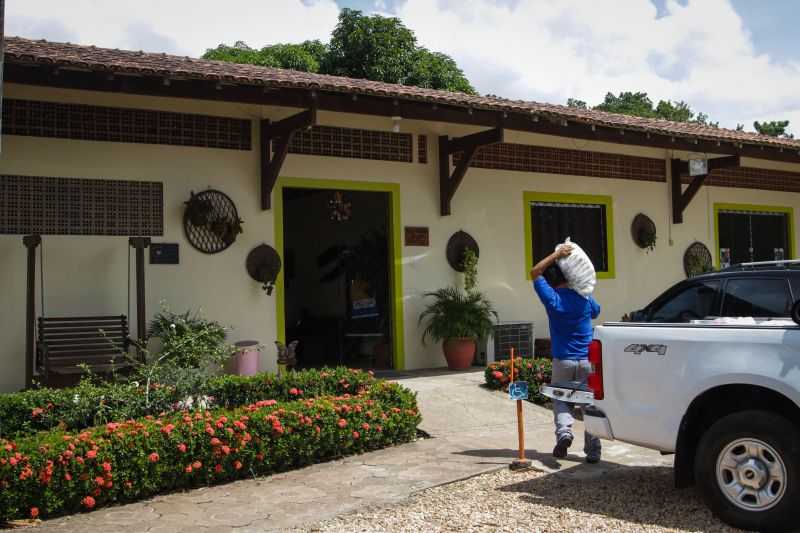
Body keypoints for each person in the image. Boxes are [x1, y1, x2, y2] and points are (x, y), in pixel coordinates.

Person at [530, 244, 602, 463]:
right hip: (587, 362)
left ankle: (564, 434)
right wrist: (582, 284)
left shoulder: (552, 300)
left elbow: (535, 272)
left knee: (562, 401)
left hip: (563, 361)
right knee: (589, 405)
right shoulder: (585, 299)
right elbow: (597, 311)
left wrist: (556, 255)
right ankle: (593, 453)